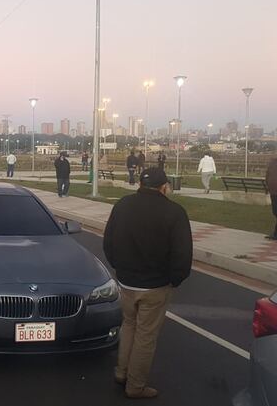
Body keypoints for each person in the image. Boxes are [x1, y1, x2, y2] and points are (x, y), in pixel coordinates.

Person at [103, 168, 193, 399]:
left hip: (126, 281)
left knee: (129, 327)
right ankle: (136, 385)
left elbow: (108, 242)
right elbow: (182, 253)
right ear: (164, 187)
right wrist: (176, 279)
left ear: (140, 185)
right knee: (146, 336)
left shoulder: (122, 204)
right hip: (155, 286)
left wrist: (119, 267)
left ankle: (122, 372)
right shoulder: (174, 212)